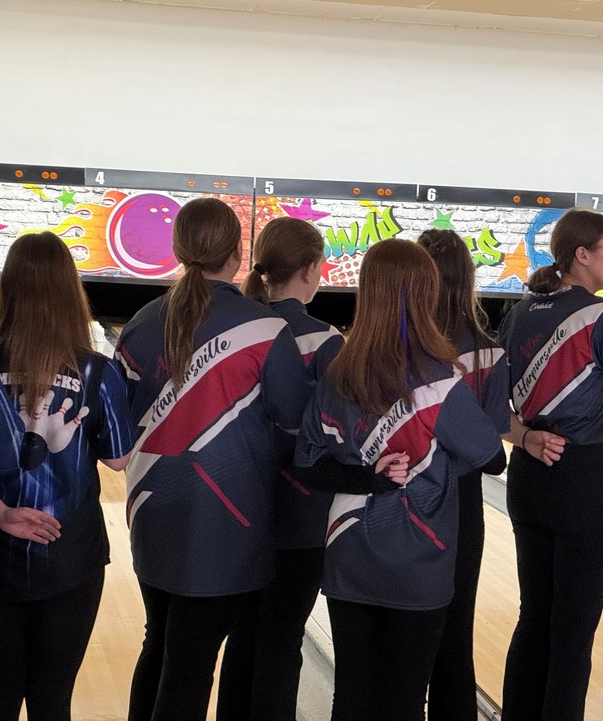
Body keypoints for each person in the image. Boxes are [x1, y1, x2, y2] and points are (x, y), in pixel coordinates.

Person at [115, 198, 311, 721]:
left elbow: (121, 425)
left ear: (179, 250)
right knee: (190, 664)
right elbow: (294, 425)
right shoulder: (266, 330)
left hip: (152, 510)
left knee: (159, 647)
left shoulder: (138, 323)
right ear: (237, 251)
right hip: (228, 521)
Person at [295, 237, 506, 721]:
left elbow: (309, 464)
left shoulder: (338, 374)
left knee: (351, 695)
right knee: (404, 703)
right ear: (425, 294)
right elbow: (494, 459)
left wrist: (371, 477)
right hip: (419, 561)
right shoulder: (439, 382)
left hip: (349, 556)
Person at [497, 209, 603, 721]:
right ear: (581, 255)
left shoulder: (519, 312)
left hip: (528, 475)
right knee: (572, 630)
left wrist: (523, 437)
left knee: (534, 618)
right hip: (585, 480)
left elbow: (495, 407)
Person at [0, 231, 135, 721]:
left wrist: (3, 511)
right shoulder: (98, 372)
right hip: (69, 551)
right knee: (53, 698)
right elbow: (119, 460)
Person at [214, 217, 344, 721]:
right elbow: (335, 431)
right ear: (311, 269)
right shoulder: (326, 339)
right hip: (302, 514)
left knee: (244, 634)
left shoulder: (240, 326)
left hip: (240, 505)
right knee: (281, 640)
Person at [417, 229, 511, 721]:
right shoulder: (490, 352)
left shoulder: (396, 348)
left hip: (401, 499)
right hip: (461, 502)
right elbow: (492, 440)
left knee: (406, 633)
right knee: (456, 632)